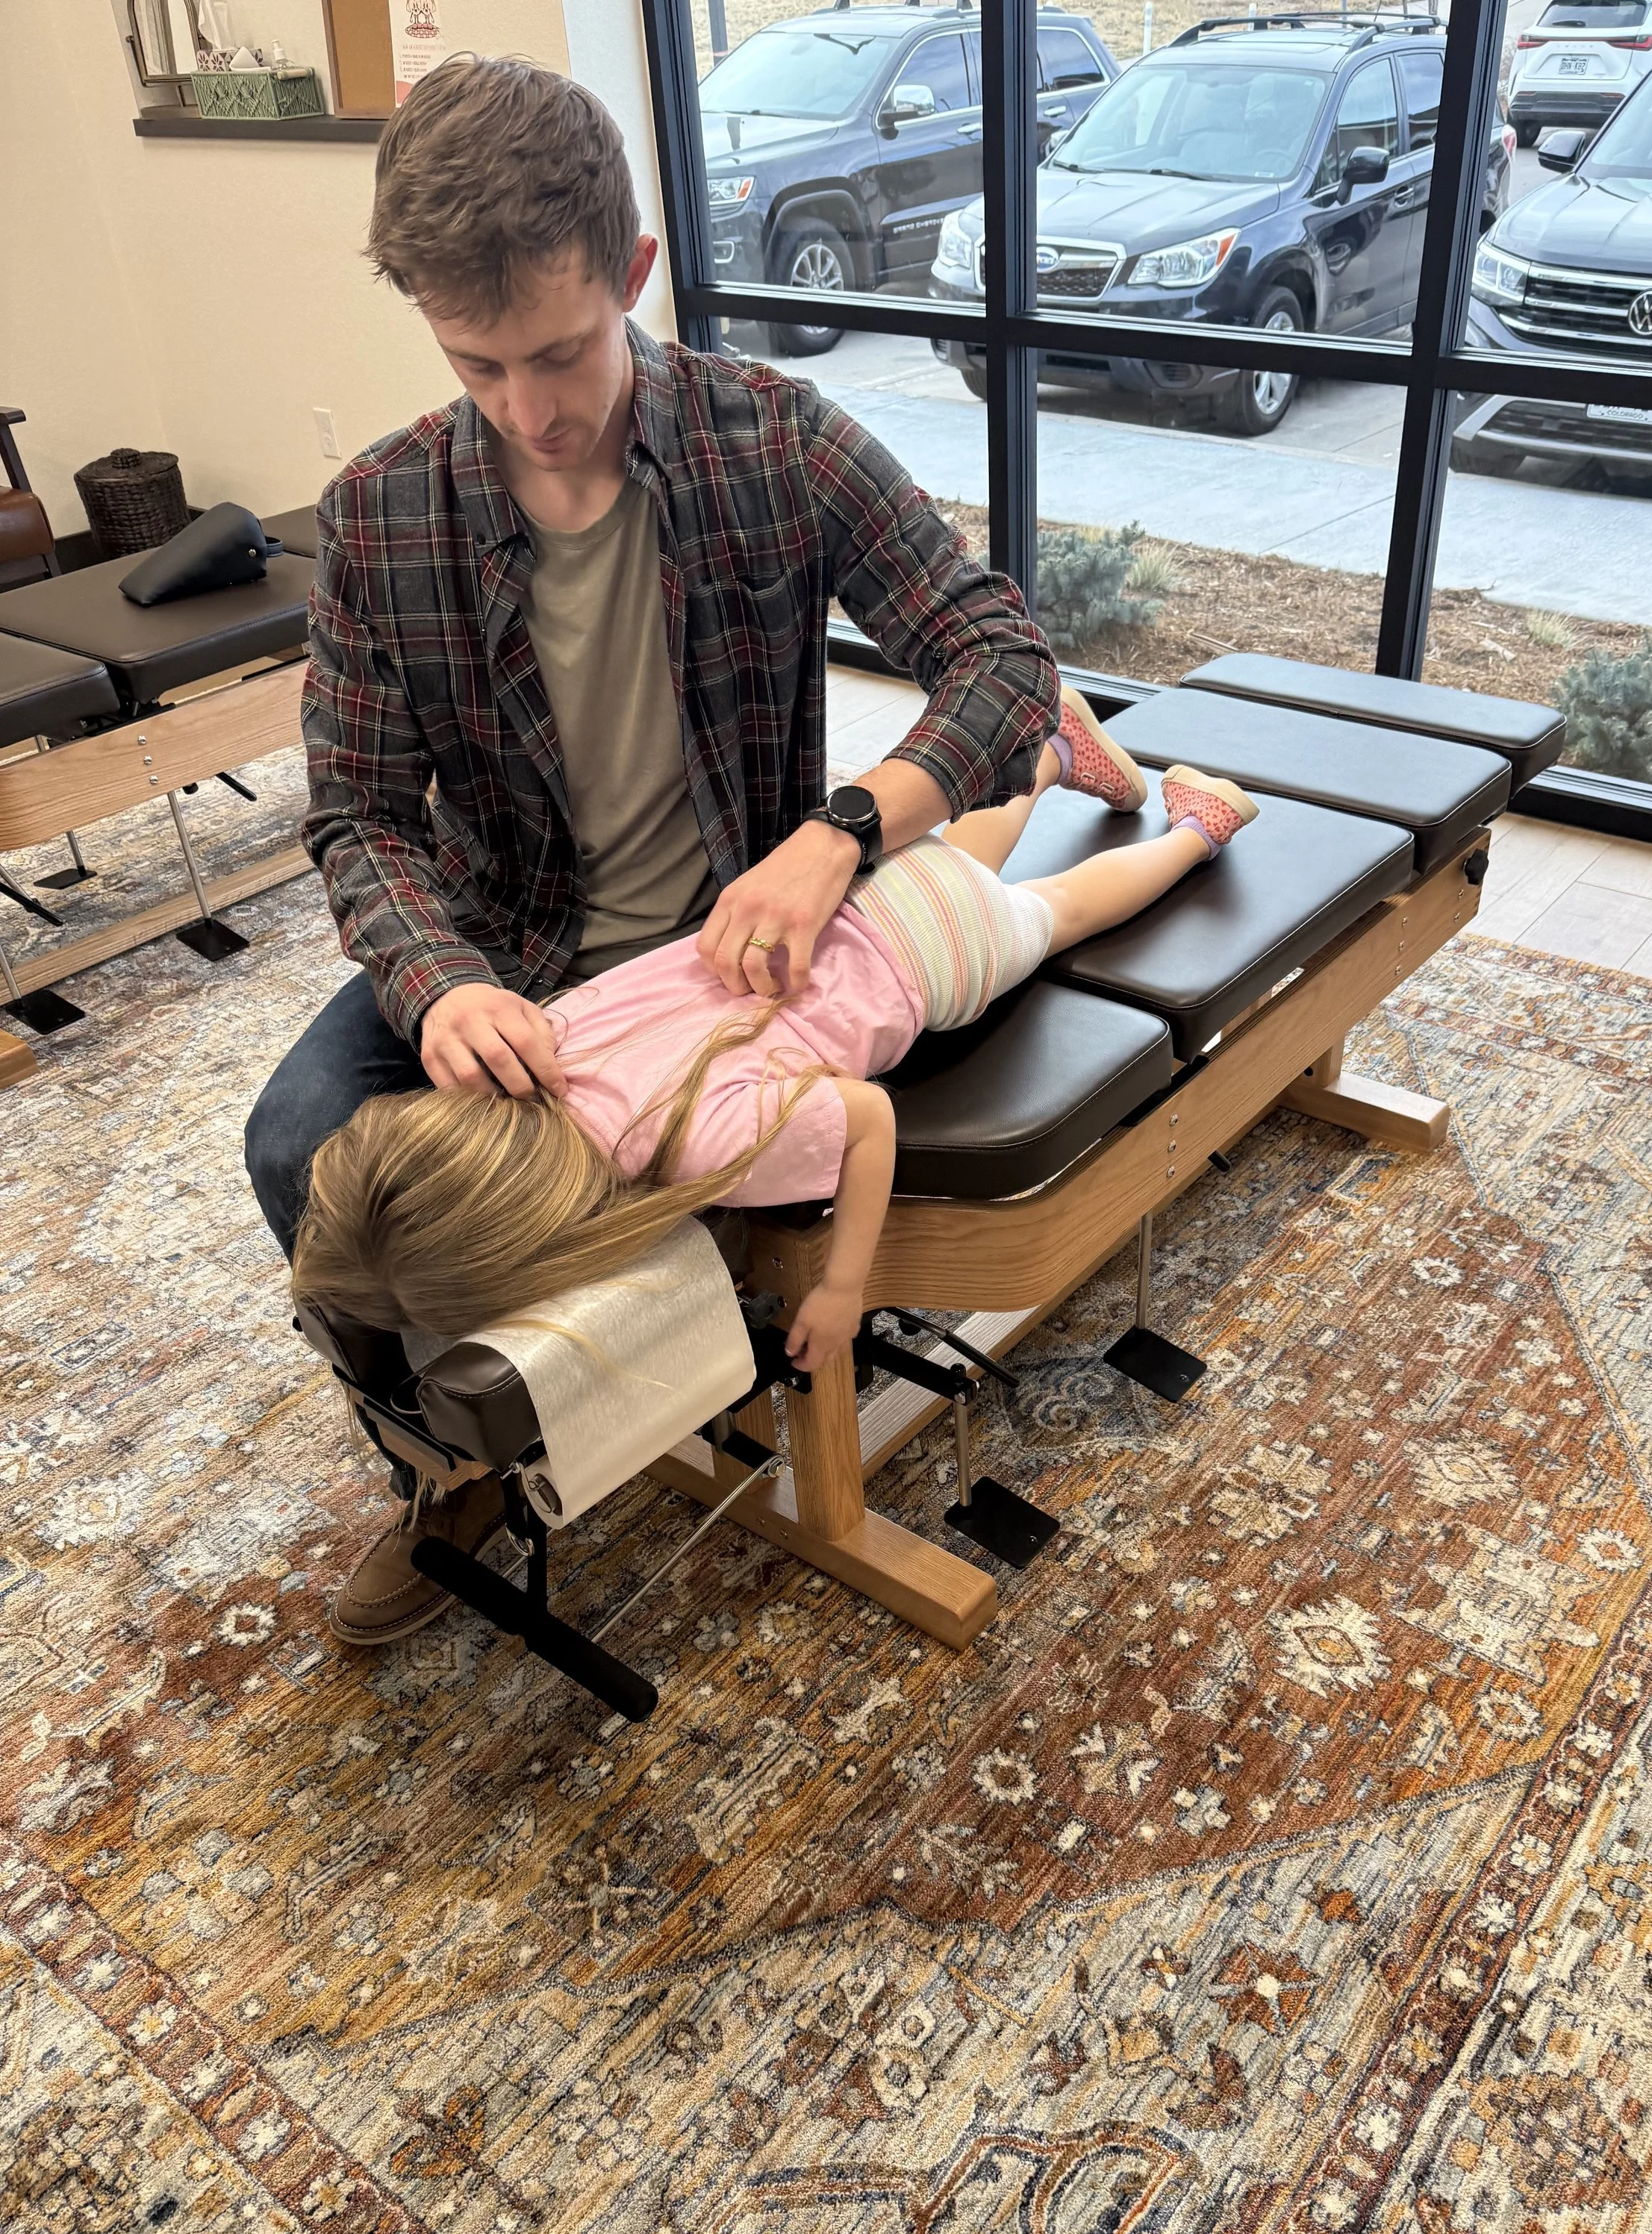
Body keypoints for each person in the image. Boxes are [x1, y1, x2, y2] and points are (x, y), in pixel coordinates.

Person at [242, 54, 1060, 1644]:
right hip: (512, 952)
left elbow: (1001, 659)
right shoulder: (380, 516)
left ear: (632, 271)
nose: (529, 412)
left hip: (739, 951)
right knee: (299, 1149)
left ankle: (663, 1350)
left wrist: (841, 834)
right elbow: (356, 814)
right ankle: (448, 1460)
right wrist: (440, 987)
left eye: (559, 351)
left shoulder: (776, 442)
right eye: (477, 365)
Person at [290, 710, 1258, 1479]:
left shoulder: (695, 1145)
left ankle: (1196, 829)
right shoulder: (539, 1040)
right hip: (829, 895)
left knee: (1062, 909)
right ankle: (1049, 751)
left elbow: (869, 1120)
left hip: (932, 960)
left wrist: (845, 1287)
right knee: (961, 858)